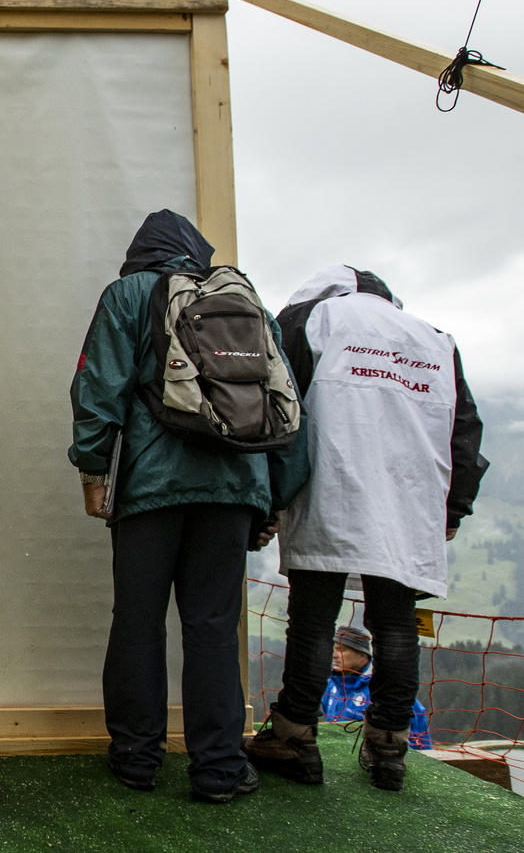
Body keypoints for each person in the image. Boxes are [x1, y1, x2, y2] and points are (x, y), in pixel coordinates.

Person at [68, 209, 307, 804]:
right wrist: (270, 500)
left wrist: (94, 470)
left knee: (139, 622)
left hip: (150, 488)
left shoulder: (129, 294)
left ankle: (135, 759)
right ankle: (220, 769)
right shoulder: (244, 299)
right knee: (213, 630)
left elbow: (98, 387)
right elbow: (288, 406)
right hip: (234, 491)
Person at [245, 264, 488, 792]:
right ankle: (389, 747)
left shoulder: (312, 321)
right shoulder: (435, 340)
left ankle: (293, 736)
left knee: (312, 620)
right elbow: (464, 429)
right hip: (410, 497)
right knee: (396, 622)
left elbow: (275, 407)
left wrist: (265, 499)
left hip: (331, 487)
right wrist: (453, 508)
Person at [322, 625, 432, 749]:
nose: (334, 655)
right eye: (333, 649)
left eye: (342, 650)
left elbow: (417, 729)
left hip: (377, 758)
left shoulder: (382, 691)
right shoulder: (330, 688)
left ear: (363, 656)